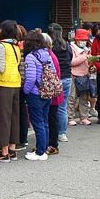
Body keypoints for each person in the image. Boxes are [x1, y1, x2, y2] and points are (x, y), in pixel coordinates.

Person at [0, 20, 21, 163]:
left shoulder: (2, 46)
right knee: (14, 117)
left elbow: (0, 67)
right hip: (15, 83)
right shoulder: (15, 46)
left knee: (2, 118)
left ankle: (4, 152)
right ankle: (13, 149)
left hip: (3, 84)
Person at [23, 31, 58, 161]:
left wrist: (26, 91)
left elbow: (30, 78)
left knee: (37, 123)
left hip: (35, 94)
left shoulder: (31, 57)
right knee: (44, 122)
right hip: (47, 93)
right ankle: (43, 149)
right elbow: (53, 72)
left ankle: (40, 152)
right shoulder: (47, 55)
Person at [48, 23, 72, 144]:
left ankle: (51, 132)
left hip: (55, 79)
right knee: (62, 107)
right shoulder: (67, 45)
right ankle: (62, 133)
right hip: (67, 77)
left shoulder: (50, 47)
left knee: (51, 107)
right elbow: (71, 59)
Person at [43, 33, 64, 156]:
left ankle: (53, 144)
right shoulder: (51, 55)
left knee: (52, 119)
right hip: (54, 92)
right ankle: (50, 143)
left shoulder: (49, 57)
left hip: (52, 92)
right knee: (51, 119)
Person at [68, 29, 92, 126]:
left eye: (85, 40)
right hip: (74, 75)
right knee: (72, 97)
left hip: (84, 75)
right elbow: (72, 62)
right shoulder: (71, 48)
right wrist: (84, 57)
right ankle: (70, 117)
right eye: (81, 40)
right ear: (76, 40)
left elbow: (87, 62)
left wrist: (91, 66)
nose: (83, 42)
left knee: (84, 98)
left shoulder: (86, 49)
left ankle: (84, 117)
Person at [16, 25, 29, 150]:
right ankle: (23, 138)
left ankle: (20, 139)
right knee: (23, 111)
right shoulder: (27, 46)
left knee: (19, 111)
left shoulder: (18, 47)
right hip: (25, 82)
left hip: (19, 82)